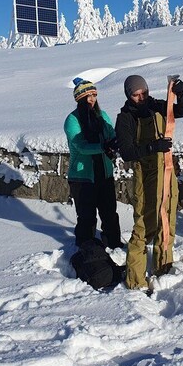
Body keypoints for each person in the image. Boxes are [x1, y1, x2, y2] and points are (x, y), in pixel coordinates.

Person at [115, 74, 183, 290]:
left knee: (167, 220)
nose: (141, 97)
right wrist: (152, 147)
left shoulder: (156, 106)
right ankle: (135, 280)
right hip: (145, 176)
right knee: (144, 225)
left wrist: (180, 94)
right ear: (129, 95)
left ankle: (163, 269)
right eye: (136, 94)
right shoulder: (125, 118)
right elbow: (127, 152)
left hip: (166, 172)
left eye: (144, 92)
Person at [64, 77, 124, 249]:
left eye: (94, 95)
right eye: (87, 96)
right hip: (82, 177)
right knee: (86, 216)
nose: (92, 99)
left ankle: (113, 245)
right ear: (79, 99)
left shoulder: (102, 116)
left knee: (110, 214)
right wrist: (103, 146)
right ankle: (86, 248)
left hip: (104, 173)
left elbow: (111, 135)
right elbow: (80, 146)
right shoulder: (72, 120)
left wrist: (116, 143)